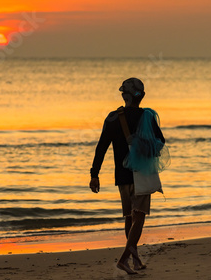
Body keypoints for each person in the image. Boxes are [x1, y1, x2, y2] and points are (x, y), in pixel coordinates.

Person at [89, 77, 165, 275]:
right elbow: (160, 142)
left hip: (122, 176)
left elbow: (101, 147)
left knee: (129, 217)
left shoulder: (113, 118)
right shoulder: (147, 116)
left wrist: (94, 174)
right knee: (138, 218)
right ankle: (124, 260)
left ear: (124, 95)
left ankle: (136, 259)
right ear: (142, 97)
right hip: (142, 173)